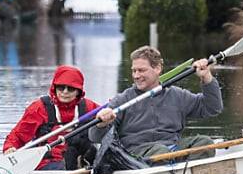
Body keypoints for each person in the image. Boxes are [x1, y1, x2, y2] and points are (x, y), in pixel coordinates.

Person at [90, 45, 222, 160]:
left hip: (173, 148)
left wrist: (207, 78)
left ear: (157, 68)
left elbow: (212, 108)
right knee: (161, 152)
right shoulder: (122, 99)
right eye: (134, 71)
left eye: (141, 70)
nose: (136, 75)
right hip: (137, 154)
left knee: (206, 143)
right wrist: (101, 124)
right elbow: (94, 137)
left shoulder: (178, 95)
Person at [3, 65, 101, 170]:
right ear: (54, 88)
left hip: (83, 161)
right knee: (63, 166)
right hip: (48, 164)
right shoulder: (39, 108)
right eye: (61, 87)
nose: (65, 92)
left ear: (78, 91)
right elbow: (18, 135)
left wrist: (108, 116)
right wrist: (10, 148)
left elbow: (113, 120)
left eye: (71, 88)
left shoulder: (90, 108)